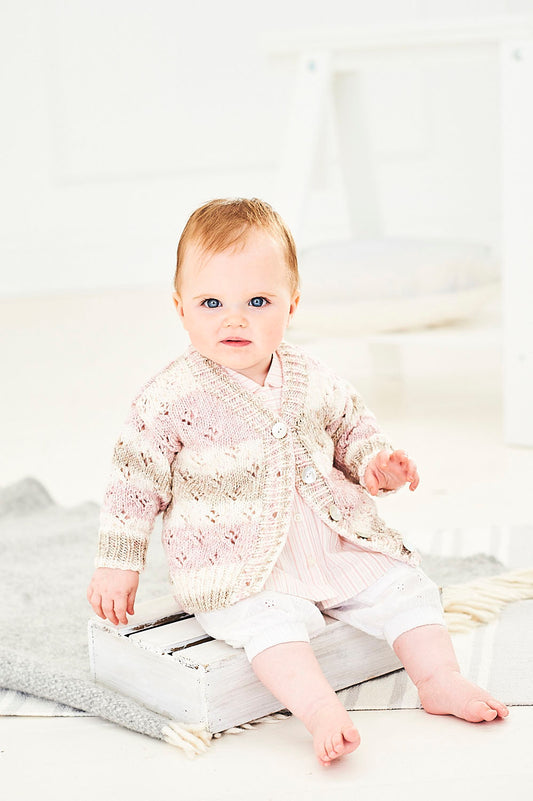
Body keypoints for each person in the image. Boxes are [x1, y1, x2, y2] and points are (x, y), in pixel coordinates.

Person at [87, 197, 508, 766]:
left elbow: (351, 429)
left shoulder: (312, 376)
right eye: (211, 303)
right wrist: (119, 561)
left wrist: (375, 463)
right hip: (240, 568)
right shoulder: (169, 398)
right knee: (271, 627)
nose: (234, 319)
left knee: (406, 586)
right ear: (181, 308)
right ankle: (318, 709)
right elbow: (133, 484)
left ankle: (439, 679)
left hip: (331, 544)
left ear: (293, 304)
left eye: (258, 302)